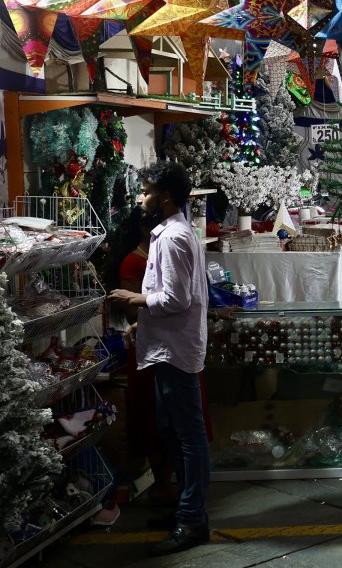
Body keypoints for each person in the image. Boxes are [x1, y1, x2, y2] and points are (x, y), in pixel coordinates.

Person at [108, 162, 210, 556]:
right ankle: (186, 510)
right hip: (168, 345)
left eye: (146, 190)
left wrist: (133, 299)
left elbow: (175, 300)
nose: (140, 197)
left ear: (165, 196)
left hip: (176, 350)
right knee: (173, 430)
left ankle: (192, 520)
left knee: (188, 437)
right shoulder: (173, 233)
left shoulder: (171, 239)